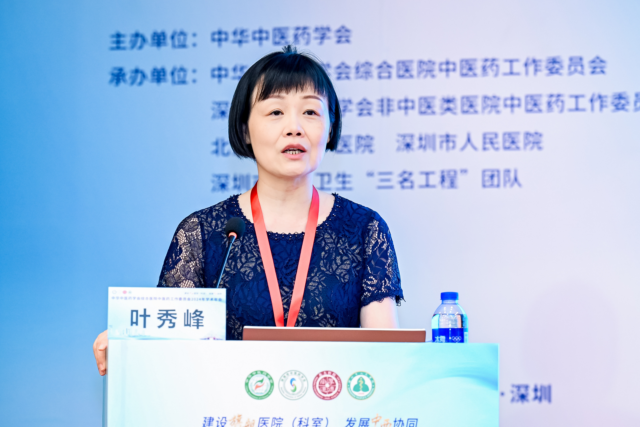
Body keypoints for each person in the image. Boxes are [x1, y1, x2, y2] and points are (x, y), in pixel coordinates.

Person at [93, 46, 404, 375]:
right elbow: (169, 344)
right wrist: (129, 342)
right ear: (245, 130)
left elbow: (384, 359)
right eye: (276, 112)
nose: (294, 127)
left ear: (329, 128)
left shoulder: (364, 229)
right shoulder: (204, 232)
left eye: (310, 112)